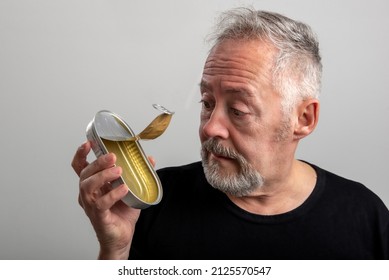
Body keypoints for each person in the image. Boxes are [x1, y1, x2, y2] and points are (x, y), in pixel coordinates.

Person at [72, 7, 389, 259]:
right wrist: (115, 251)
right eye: (207, 103)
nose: (210, 127)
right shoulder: (153, 206)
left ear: (304, 119)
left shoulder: (365, 217)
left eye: (238, 111)